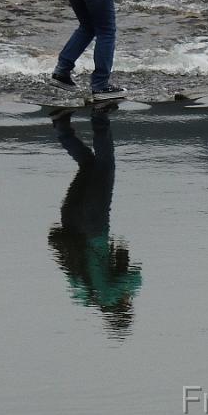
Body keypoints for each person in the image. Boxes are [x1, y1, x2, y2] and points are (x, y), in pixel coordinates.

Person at [48, 108, 142, 337]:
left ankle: (100, 114)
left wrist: (127, 293)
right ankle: (61, 124)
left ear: (122, 309)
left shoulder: (111, 295)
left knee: (105, 165)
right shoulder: (84, 295)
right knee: (88, 165)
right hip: (70, 220)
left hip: (93, 223)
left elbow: (135, 277)